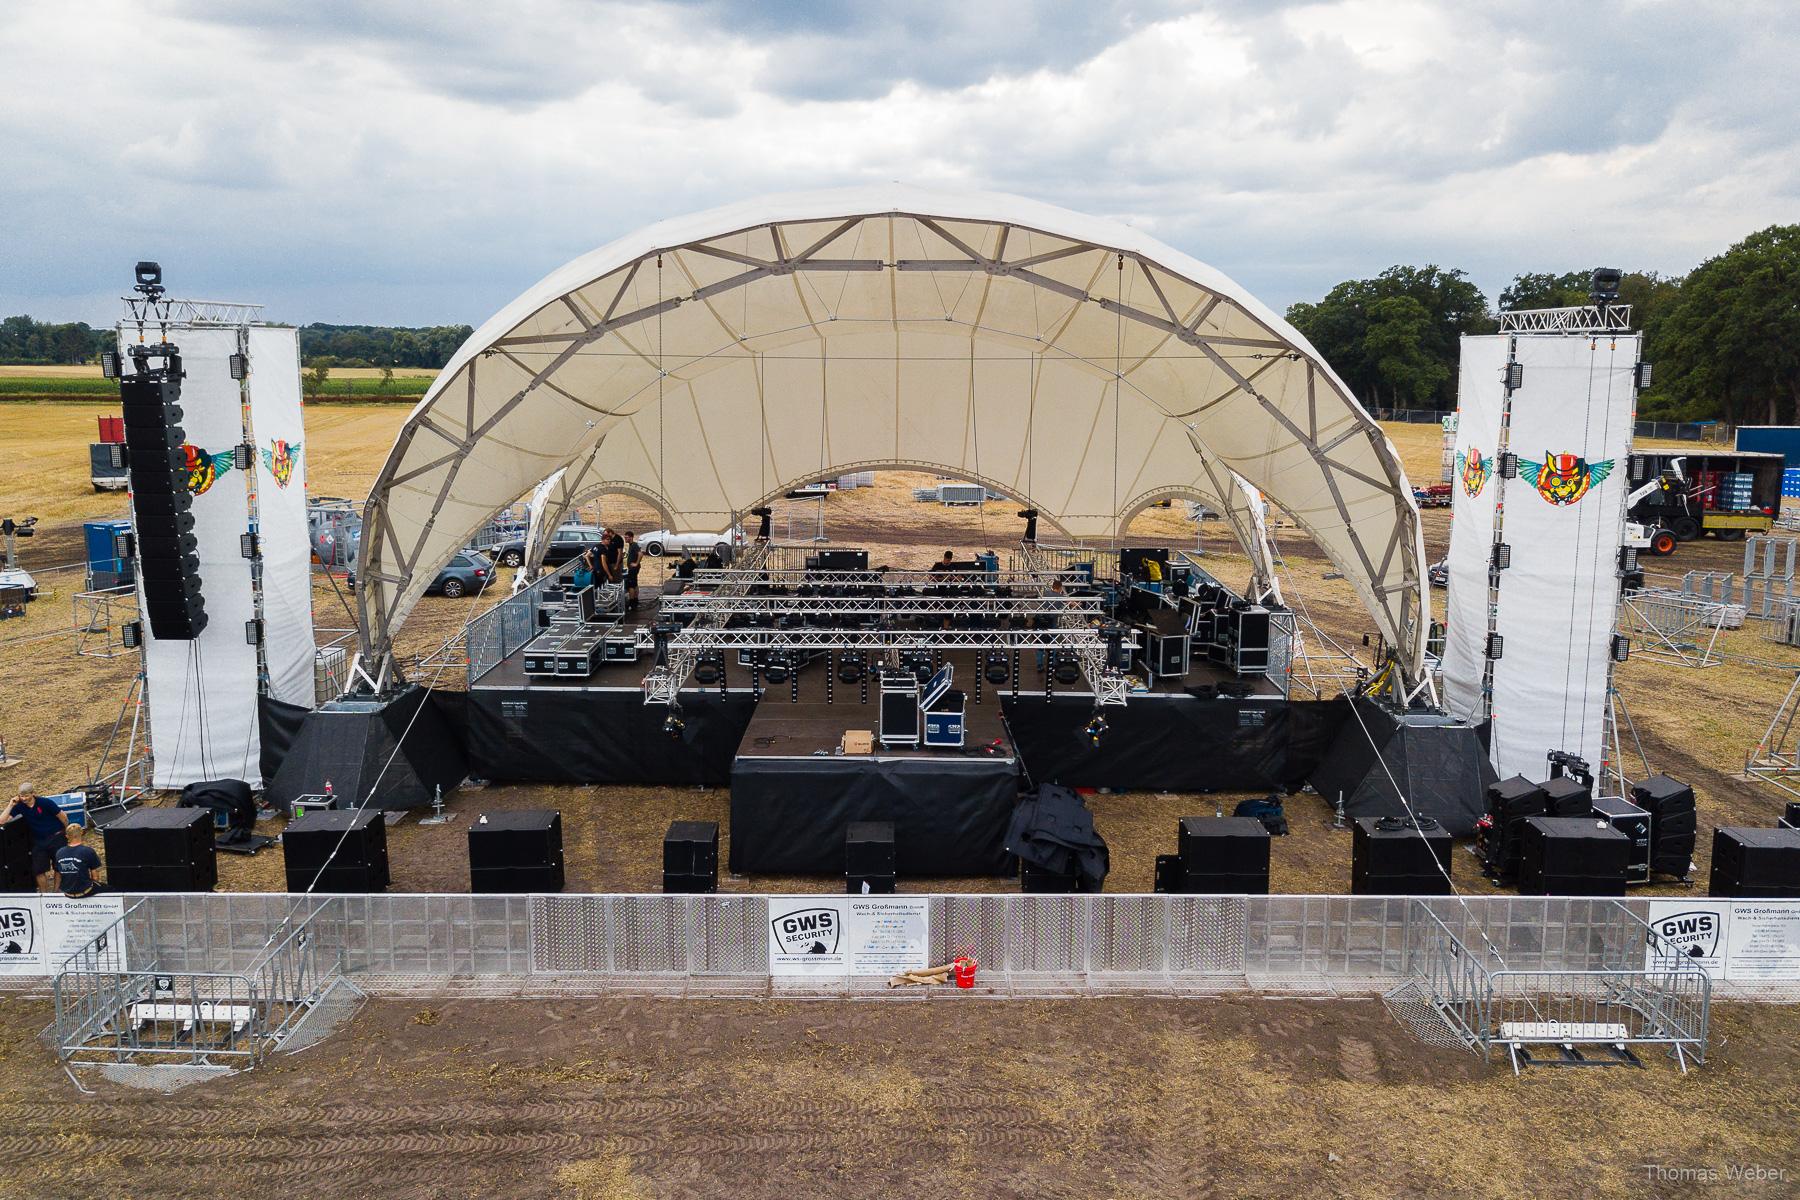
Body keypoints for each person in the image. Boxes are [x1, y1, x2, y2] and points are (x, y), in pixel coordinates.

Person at [4, 784, 70, 893]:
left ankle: (56, 891)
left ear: (33, 793)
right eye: (21, 796)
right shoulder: (20, 806)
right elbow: (2, 821)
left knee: (59, 866)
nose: (23, 799)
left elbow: (62, 816)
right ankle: (43, 894)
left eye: (26, 796)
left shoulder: (45, 802)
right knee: (38, 870)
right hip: (38, 841)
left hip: (56, 836)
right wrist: (11, 805)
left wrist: (67, 832)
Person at [52, 824, 103, 898]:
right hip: (85, 892)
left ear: (67, 836)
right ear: (81, 833)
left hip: (67, 893)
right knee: (110, 889)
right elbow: (95, 876)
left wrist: (55, 892)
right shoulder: (88, 851)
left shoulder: (59, 852)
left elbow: (57, 875)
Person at [623, 530, 642, 610]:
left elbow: (640, 554)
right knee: (635, 584)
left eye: (626, 537)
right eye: (625, 537)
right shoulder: (631, 545)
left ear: (631, 537)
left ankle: (632, 603)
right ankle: (636, 600)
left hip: (633, 568)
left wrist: (636, 563)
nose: (625, 539)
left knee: (631, 586)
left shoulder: (634, 545)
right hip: (633, 568)